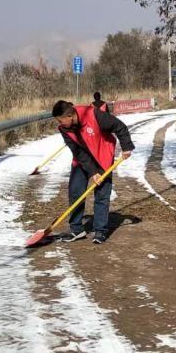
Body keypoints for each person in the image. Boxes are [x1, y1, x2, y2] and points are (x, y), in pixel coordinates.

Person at [51, 99, 133, 244]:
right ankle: (76, 229)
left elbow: (119, 126)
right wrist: (92, 172)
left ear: (70, 116)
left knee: (102, 194)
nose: (59, 123)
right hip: (81, 160)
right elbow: (78, 152)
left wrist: (126, 146)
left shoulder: (94, 115)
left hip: (102, 156)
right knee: (76, 191)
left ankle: (100, 230)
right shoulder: (64, 129)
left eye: (61, 120)